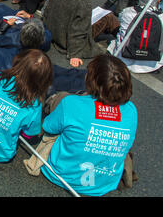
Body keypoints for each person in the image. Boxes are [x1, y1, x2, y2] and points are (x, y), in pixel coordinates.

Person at [39, 54, 137, 196]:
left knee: (60, 102)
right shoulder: (131, 110)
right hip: (105, 183)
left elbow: (48, 127)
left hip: (61, 174)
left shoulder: (71, 103)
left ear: (90, 80)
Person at [43, 0, 120, 68]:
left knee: (107, 17)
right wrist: (75, 54)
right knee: (108, 17)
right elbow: (78, 30)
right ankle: (122, 39)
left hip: (53, 33)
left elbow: (47, 13)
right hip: (66, 39)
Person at [108, 0, 163, 73]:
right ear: (158, 0)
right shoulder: (161, 17)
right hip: (152, 64)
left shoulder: (127, 12)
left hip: (124, 59)